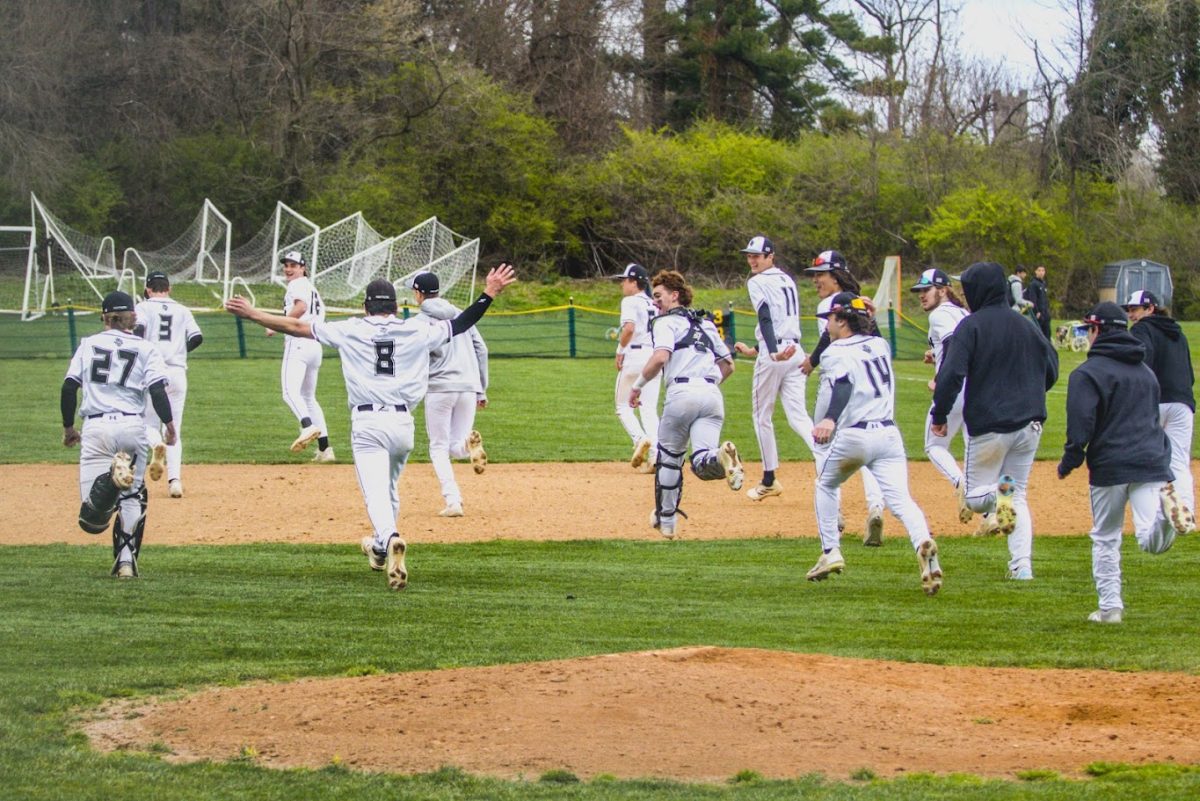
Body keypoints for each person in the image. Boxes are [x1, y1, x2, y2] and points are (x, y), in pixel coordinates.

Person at [225, 264, 517, 591]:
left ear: (366, 306)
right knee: (390, 488)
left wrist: (253, 314)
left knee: (375, 494)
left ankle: (389, 537)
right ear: (395, 306)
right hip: (403, 424)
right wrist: (489, 292)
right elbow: (462, 324)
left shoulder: (352, 328)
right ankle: (379, 547)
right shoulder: (416, 329)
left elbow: (295, 325)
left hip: (368, 424)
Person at [807, 292, 943, 596]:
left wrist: (829, 418)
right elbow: (874, 338)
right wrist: (872, 316)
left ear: (841, 320)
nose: (826, 324)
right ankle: (923, 542)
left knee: (825, 485)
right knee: (900, 500)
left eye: (830, 318)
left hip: (854, 435)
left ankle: (831, 551)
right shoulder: (880, 345)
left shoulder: (834, 350)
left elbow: (842, 383)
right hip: (889, 436)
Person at [1057, 302, 1184, 623]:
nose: (1087, 335)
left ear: (1099, 330)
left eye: (1089, 329)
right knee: (1149, 540)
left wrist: (1071, 459)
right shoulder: (1146, 372)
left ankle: (1110, 608)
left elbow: (1080, 424)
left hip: (1111, 465)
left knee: (1106, 536)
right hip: (1151, 461)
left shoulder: (1087, 373)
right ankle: (1166, 519)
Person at [931, 261, 1059, 580]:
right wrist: (1029, 391)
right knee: (1018, 496)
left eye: (967, 286)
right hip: (1030, 424)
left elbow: (950, 375)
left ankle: (1000, 497)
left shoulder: (971, 326)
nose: (963, 291)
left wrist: (940, 413)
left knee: (976, 499)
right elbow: (1052, 369)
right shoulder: (1026, 324)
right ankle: (1021, 568)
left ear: (979, 290)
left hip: (991, 425)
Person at [62, 290, 176, 579]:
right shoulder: (145, 348)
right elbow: (157, 390)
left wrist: (68, 428)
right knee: (132, 497)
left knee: (92, 512)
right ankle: (126, 562)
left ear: (104, 317)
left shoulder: (88, 344)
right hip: (132, 426)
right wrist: (169, 425)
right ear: (132, 318)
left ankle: (112, 480)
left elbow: (69, 387)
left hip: (96, 427)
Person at [629, 269, 744, 539]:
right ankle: (720, 456)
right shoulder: (704, 324)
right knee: (702, 461)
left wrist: (636, 387)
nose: (654, 301)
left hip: (682, 392)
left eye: (658, 296)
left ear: (675, 295)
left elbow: (660, 357)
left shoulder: (665, 323)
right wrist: (708, 386)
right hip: (711, 394)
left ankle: (667, 521)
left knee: (669, 459)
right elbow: (728, 365)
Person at [801, 250, 886, 546]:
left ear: (835, 275)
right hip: (866, 387)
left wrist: (812, 360)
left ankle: (833, 514)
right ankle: (875, 506)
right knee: (870, 451)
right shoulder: (860, 301)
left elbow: (829, 336)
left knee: (823, 445)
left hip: (836, 381)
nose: (816, 280)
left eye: (820, 274)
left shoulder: (832, 304)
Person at [732, 235, 813, 501]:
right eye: (750, 255)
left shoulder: (757, 281)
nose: (752, 260)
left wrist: (770, 350)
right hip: (795, 350)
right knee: (798, 416)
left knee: (761, 417)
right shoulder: (787, 279)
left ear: (770, 256)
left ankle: (769, 479)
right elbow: (782, 321)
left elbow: (766, 317)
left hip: (776, 353)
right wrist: (756, 349)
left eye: (758, 255)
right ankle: (826, 458)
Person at [412, 271, 490, 518]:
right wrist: (481, 387)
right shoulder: (460, 314)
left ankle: (453, 499)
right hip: (467, 386)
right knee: (456, 447)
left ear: (418, 293)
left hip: (440, 387)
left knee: (438, 447)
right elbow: (482, 349)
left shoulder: (419, 321)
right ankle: (471, 447)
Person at [1125, 289, 1197, 531]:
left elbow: (1142, 362)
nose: (1131, 315)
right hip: (1183, 402)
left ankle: (1156, 515)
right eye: (1129, 310)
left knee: (1146, 458)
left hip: (1155, 402)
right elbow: (1189, 372)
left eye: (1135, 309)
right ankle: (1186, 510)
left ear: (1150, 309)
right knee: (1178, 459)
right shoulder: (1179, 333)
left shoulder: (1142, 330)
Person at [133, 271, 202, 498]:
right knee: (175, 430)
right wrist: (180, 352)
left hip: (153, 372)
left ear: (148, 289)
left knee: (147, 423)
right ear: (168, 288)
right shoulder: (182, 309)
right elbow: (196, 337)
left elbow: (139, 330)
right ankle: (175, 482)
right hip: (178, 372)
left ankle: (155, 445)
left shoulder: (143, 307)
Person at [274, 250, 333, 461]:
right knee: (308, 397)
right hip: (315, 345)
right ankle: (325, 449)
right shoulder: (312, 288)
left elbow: (301, 307)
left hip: (299, 342)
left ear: (303, 268)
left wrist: (278, 325)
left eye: (293, 265)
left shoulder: (297, 284)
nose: (288, 269)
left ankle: (307, 426)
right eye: (286, 265)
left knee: (289, 393)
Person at [610, 263, 660, 473]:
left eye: (625, 280)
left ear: (634, 282)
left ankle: (639, 439)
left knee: (623, 406)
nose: (622, 284)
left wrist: (620, 349)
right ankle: (657, 455)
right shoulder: (654, 303)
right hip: (654, 355)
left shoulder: (630, 301)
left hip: (635, 355)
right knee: (649, 408)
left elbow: (629, 328)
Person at [1026, 265, 1052, 340]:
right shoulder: (1033, 284)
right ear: (1035, 272)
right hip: (1039, 314)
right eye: (1039, 270)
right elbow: (1032, 299)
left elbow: (1044, 299)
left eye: (1043, 270)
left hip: (1045, 313)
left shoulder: (1043, 284)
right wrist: (1036, 311)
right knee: (1038, 334)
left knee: (1047, 334)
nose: (1041, 272)